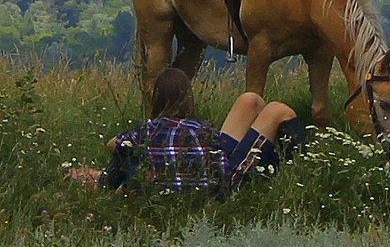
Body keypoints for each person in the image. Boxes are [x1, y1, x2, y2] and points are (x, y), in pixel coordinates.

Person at [68, 67, 306, 194]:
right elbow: (215, 151)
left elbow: (115, 144)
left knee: (250, 100)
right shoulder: (200, 129)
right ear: (188, 99)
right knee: (277, 110)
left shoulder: (146, 132)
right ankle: (304, 169)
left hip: (167, 182)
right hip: (223, 183)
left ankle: (103, 180)